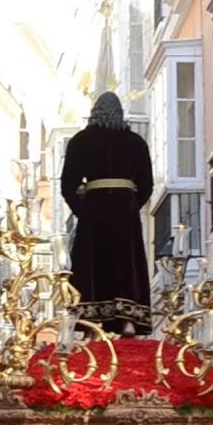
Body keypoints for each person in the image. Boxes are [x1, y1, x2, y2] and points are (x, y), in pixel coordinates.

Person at [60, 92, 154, 336]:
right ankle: (128, 321)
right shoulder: (136, 143)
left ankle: (92, 325)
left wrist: (83, 210)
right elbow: (147, 185)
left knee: (94, 263)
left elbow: (67, 184)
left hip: (95, 209)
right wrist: (132, 203)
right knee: (126, 263)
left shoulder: (80, 141)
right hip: (125, 210)